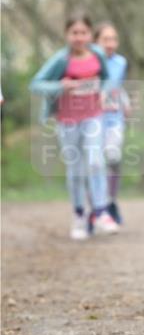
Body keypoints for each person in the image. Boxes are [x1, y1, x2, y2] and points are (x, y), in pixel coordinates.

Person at [30, 13, 118, 239]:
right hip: (67, 121)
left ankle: (100, 212)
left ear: (90, 34)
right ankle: (79, 216)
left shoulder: (97, 54)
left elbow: (108, 78)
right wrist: (61, 86)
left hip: (93, 117)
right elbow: (36, 84)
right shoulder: (61, 59)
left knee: (96, 161)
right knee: (76, 169)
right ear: (67, 35)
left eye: (83, 33)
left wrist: (104, 91)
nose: (79, 37)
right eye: (74, 33)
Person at [94, 22, 130, 224]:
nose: (110, 43)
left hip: (114, 119)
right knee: (95, 162)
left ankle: (110, 200)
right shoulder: (90, 61)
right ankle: (96, 206)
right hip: (92, 119)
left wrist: (124, 102)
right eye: (105, 39)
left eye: (113, 39)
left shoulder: (121, 63)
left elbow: (118, 86)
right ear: (96, 41)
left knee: (114, 159)